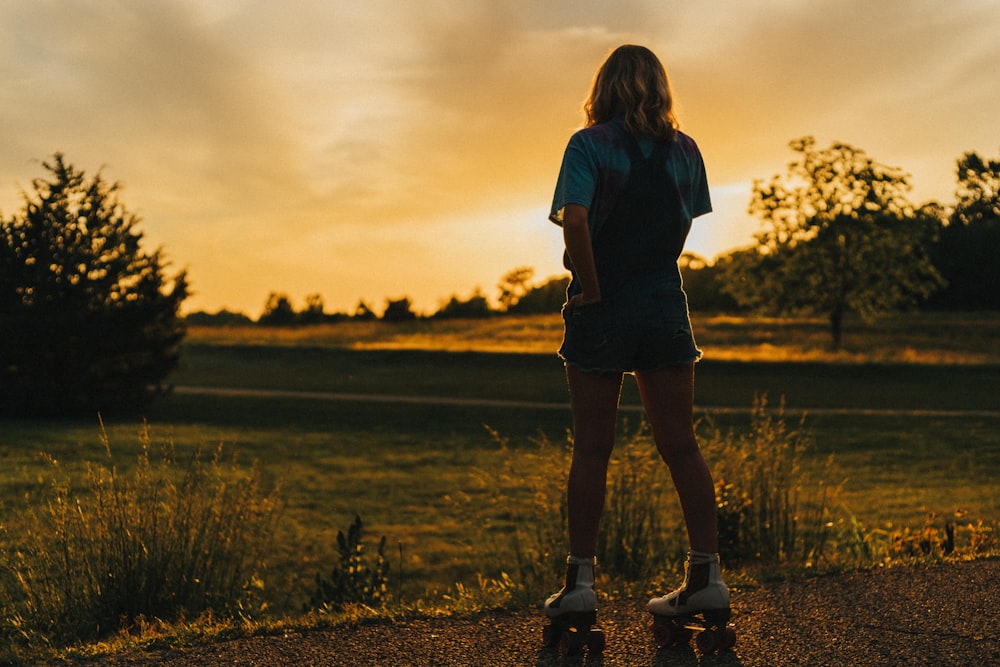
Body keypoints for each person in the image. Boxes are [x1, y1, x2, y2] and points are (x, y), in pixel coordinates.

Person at [544, 45, 730, 627]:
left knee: (593, 449)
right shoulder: (687, 149)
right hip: (664, 302)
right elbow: (684, 220)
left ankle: (579, 585)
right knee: (682, 445)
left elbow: (576, 219)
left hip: (605, 306)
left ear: (604, 88)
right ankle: (707, 579)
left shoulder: (589, 144)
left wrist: (593, 289)